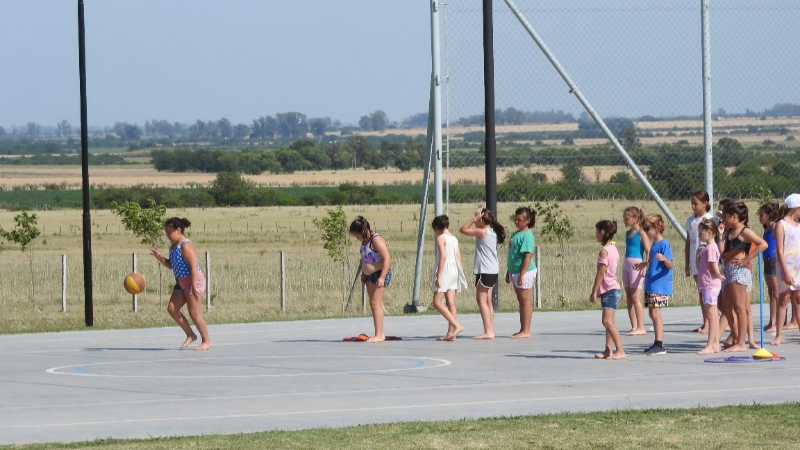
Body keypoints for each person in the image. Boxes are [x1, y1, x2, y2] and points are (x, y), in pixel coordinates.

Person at [150, 217, 212, 351]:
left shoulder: (186, 245)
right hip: (181, 282)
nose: (167, 235)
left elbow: (194, 266)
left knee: (194, 313)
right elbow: (171, 265)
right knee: (172, 309)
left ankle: (206, 341)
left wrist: (195, 286)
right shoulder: (173, 247)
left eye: (169, 232)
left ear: (178, 230)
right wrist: (160, 258)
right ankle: (190, 334)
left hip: (193, 280)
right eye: (166, 232)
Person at [719, 202, 767, 352]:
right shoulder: (729, 232)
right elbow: (722, 253)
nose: (723, 220)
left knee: (740, 308)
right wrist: (720, 236)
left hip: (739, 271)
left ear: (734, 217)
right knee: (724, 305)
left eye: (725, 217)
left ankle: (741, 343)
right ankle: (735, 335)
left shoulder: (744, 232)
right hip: (728, 271)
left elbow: (762, 244)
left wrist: (747, 258)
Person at [460, 207, 506, 339]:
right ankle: (490, 329)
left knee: (481, 300)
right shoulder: (492, 232)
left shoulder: (482, 232)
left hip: (485, 270)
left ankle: (488, 331)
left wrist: (473, 219)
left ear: (481, 220)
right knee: (488, 300)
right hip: (492, 270)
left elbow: (463, 229)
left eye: (477, 217)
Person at [350, 216, 391, 343]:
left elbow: (387, 259)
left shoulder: (376, 240)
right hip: (369, 276)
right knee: (373, 304)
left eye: (357, 235)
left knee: (376, 304)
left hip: (379, 275)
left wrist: (382, 277)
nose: (357, 238)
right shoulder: (365, 241)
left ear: (363, 231)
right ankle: (379, 332)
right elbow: (365, 258)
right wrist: (364, 273)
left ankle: (379, 334)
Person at [589, 220, 625, 360]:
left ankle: (620, 350)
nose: (596, 235)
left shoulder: (604, 251)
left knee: (607, 321)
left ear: (602, 232)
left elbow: (600, 273)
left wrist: (594, 291)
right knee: (610, 322)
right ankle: (607, 350)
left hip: (610, 290)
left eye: (597, 232)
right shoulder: (613, 248)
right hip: (612, 289)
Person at [430, 215, 468, 341]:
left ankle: (457, 326)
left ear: (436, 228)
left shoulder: (441, 238)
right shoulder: (454, 238)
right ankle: (451, 333)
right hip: (454, 270)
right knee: (450, 302)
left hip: (445, 270)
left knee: (436, 302)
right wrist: (459, 272)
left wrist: (438, 276)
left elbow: (443, 257)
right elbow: (459, 257)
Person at [641, 214, 673, 355]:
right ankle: (656, 342)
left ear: (657, 228)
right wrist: (645, 263)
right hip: (651, 282)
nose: (646, 232)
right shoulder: (654, 244)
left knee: (655, 313)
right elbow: (652, 261)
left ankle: (659, 344)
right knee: (651, 313)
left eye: (648, 229)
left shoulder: (664, 244)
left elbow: (670, 264)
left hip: (659, 285)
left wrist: (664, 259)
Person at [770, 194, 800, 346]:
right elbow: (780, 251)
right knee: (784, 300)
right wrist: (786, 272)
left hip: (798, 267)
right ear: (796, 208)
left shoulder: (798, 224)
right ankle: (779, 334)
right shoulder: (781, 225)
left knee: (797, 299)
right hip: (786, 267)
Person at [685, 190, 715, 334]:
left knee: (710, 292)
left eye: (696, 203)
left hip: (708, 260)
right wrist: (687, 264)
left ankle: (713, 322)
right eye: (692, 203)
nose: (693, 206)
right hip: (694, 260)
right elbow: (688, 242)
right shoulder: (690, 221)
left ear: (705, 204)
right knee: (701, 292)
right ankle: (706, 322)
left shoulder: (710, 219)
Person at [505, 207, 537, 339]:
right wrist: (509, 271)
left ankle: (526, 330)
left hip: (524, 272)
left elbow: (527, 256)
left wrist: (522, 274)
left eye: (520, 220)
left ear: (527, 220)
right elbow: (513, 255)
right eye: (516, 219)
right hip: (515, 271)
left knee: (526, 301)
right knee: (521, 302)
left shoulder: (527, 236)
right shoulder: (516, 234)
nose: (516, 222)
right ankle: (522, 329)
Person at [696, 219, 725, 355]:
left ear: (709, 232)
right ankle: (715, 344)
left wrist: (719, 275)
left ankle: (710, 345)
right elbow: (701, 267)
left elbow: (714, 266)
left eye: (700, 233)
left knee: (711, 315)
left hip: (710, 285)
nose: (699, 236)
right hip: (706, 284)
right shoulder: (706, 248)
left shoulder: (712, 248)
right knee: (711, 314)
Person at [622, 206, 650, 336]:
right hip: (627, 264)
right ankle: (634, 326)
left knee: (635, 296)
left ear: (635, 218)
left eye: (627, 218)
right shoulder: (628, 234)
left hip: (637, 265)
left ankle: (641, 326)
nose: (624, 220)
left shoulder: (641, 232)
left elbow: (649, 251)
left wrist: (645, 265)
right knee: (628, 296)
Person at [759, 202, 781, 333]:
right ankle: (772, 320)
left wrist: (777, 251)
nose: (760, 217)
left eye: (762, 215)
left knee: (776, 292)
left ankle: (778, 322)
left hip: (773, 260)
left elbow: (781, 240)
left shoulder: (774, 226)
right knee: (771, 292)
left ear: (768, 215)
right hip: (766, 260)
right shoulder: (767, 228)